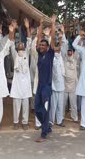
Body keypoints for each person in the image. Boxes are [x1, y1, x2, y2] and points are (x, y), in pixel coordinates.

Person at [34, 15, 56, 143]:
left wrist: (53, 24)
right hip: (40, 86)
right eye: (40, 45)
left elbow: (52, 38)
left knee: (45, 109)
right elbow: (38, 39)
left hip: (47, 87)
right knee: (37, 108)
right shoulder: (39, 54)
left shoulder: (50, 54)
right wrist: (41, 24)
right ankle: (46, 126)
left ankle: (43, 134)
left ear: (47, 47)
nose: (41, 46)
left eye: (43, 45)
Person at [10, 18, 32, 130]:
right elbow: (12, 41)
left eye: (22, 44)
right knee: (16, 104)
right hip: (17, 84)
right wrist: (13, 29)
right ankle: (15, 122)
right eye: (19, 44)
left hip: (26, 84)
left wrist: (27, 28)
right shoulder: (14, 54)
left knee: (25, 104)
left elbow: (29, 40)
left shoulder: (26, 54)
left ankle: (25, 122)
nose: (21, 44)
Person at [62, 28, 79, 123]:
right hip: (64, 86)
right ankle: (61, 118)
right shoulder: (64, 59)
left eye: (70, 53)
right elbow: (64, 45)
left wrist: (78, 36)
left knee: (73, 104)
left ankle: (75, 118)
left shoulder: (75, 59)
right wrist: (63, 32)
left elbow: (76, 47)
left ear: (72, 53)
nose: (69, 54)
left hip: (73, 86)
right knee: (63, 103)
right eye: (68, 53)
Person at [49, 34, 66, 127]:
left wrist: (60, 39)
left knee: (60, 104)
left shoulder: (61, 57)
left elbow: (62, 46)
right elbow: (52, 47)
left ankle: (60, 121)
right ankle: (51, 121)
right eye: (56, 50)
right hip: (54, 85)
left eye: (58, 50)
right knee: (53, 105)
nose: (58, 51)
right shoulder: (52, 58)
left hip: (61, 85)